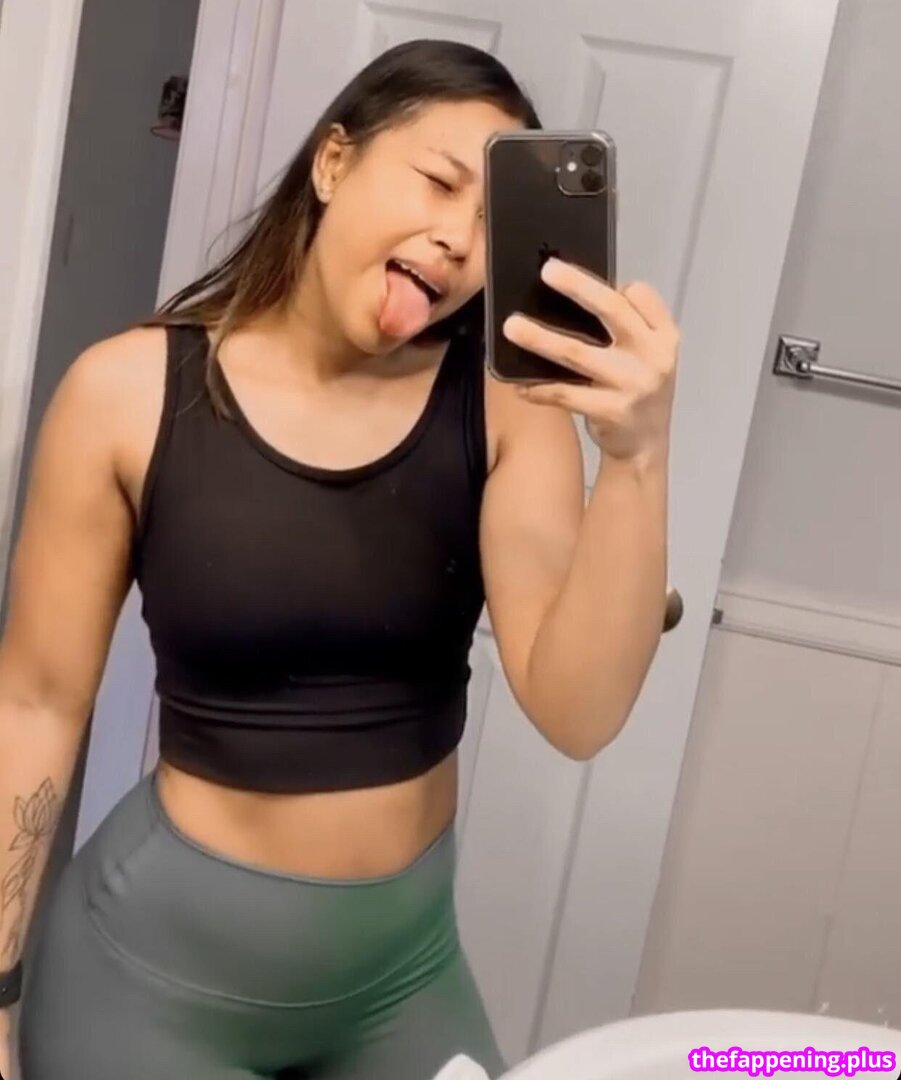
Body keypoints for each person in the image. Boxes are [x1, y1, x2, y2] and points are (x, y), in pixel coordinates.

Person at [0, 38, 678, 1080]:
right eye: (438, 183)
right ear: (332, 162)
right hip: (149, 988)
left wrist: (636, 457)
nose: (458, 240)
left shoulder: (506, 408)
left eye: (491, 221)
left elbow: (576, 712)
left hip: (400, 983)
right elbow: (36, 706)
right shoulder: (126, 394)